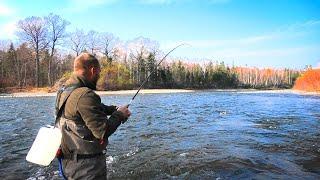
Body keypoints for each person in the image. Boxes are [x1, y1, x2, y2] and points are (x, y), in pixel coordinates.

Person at [55, 53, 131, 179]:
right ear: (93, 70)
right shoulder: (85, 95)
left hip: (68, 162)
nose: (99, 76)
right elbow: (102, 131)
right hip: (86, 168)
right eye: (99, 73)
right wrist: (120, 115)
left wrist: (114, 109)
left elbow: (89, 109)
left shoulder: (64, 91)